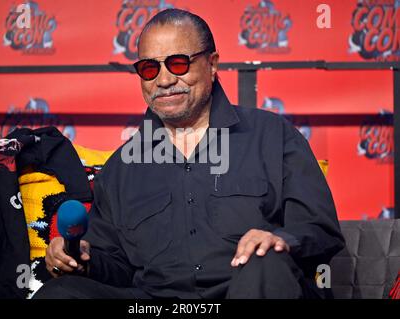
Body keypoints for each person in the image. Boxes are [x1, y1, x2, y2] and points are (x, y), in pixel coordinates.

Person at [34, 8, 345, 299]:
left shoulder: (273, 136)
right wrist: (80, 259)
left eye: (178, 63)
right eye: (150, 68)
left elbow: (320, 231)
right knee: (60, 293)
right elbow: (117, 267)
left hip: (250, 288)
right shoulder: (121, 168)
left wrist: (280, 241)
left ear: (211, 65)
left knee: (266, 263)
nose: (165, 80)